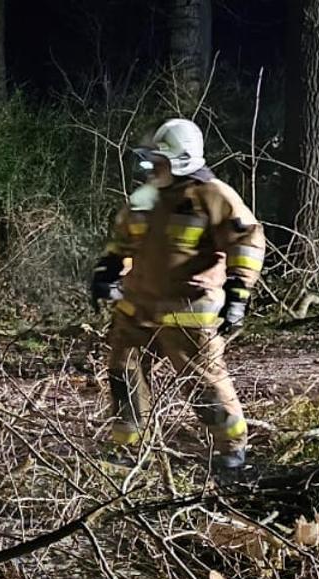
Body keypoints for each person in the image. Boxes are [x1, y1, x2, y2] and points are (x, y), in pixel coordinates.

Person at [88, 118, 265, 482]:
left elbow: (246, 240)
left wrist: (238, 292)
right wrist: (107, 269)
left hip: (188, 311)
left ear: (181, 160)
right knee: (124, 372)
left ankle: (232, 452)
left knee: (202, 383)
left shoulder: (212, 195)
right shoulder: (147, 196)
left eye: (160, 161)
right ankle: (130, 450)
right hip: (137, 308)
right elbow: (124, 239)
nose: (152, 167)